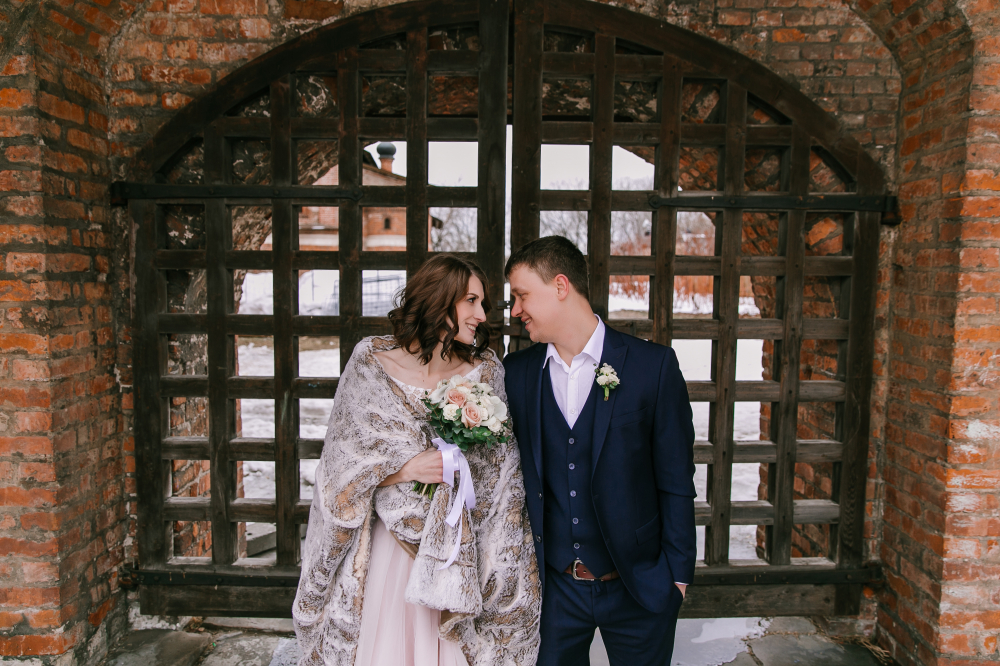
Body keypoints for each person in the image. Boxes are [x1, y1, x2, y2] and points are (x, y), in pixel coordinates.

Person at [293, 254, 542, 666]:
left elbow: (501, 475)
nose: (482, 315)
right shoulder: (371, 364)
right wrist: (406, 469)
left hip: (459, 551)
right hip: (391, 551)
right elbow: (341, 468)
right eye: (471, 301)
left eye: (482, 303)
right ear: (439, 300)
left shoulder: (484, 371)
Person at [502, 236, 696, 666]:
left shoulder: (652, 366)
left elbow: (676, 477)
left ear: (560, 286)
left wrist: (677, 576)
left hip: (639, 586)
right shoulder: (515, 374)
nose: (515, 310)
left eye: (521, 295)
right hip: (554, 592)